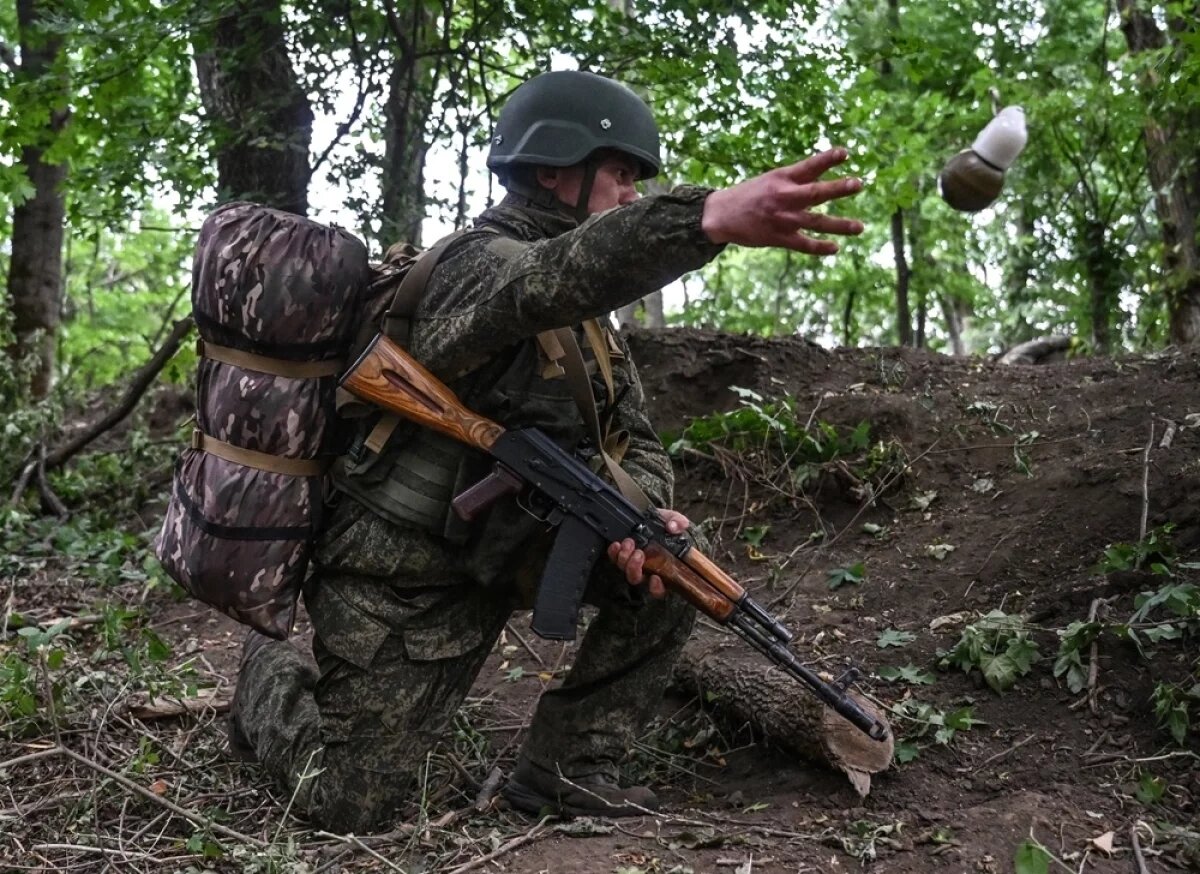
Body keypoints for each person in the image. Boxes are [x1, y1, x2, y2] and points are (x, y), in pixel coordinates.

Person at [228, 69, 864, 833]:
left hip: (509, 543)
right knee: (346, 801)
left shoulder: (591, 322)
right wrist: (708, 218)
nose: (631, 193)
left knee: (676, 566)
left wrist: (641, 510)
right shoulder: (477, 265)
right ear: (557, 166)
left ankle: (568, 769)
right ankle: (263, 673)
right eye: (622, 173)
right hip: (409, 574)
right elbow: (544, 281)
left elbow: (636, 438)